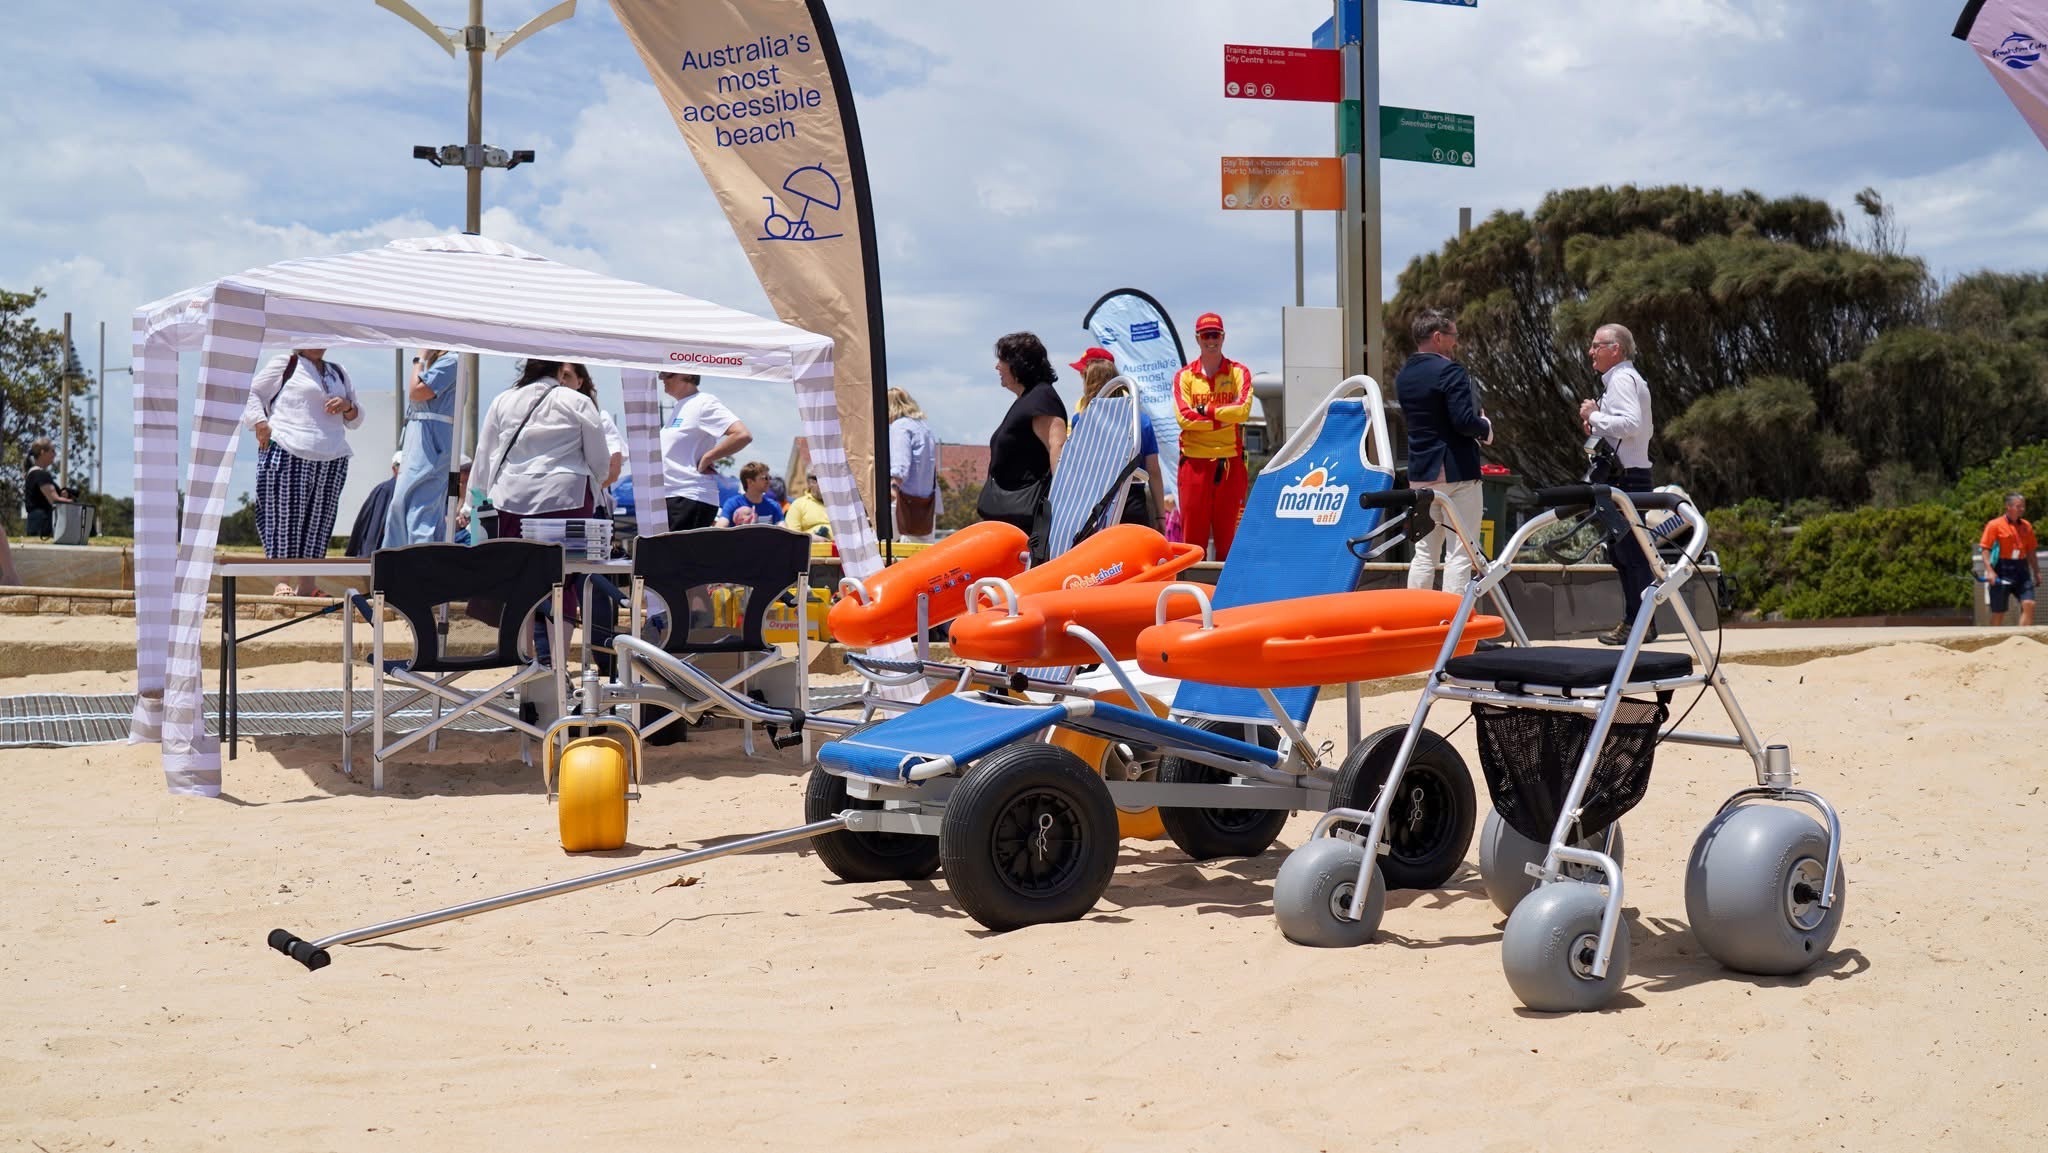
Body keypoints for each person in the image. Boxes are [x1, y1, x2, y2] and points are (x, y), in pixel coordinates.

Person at [242, 349, 363, 596]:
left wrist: (347, 405)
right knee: (284, 516)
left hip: (331, 454)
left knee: (319, 521)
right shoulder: (286, 363)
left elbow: (356, 419)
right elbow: (252, 391)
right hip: (289, 447)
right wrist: (259, 423)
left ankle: (307, 585)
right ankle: (281, 581)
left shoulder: (338, 370)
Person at [1396, 310, 1492, 597]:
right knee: (1461, 553)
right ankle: (1455, 629)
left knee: (1424, 553)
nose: (1456, 343)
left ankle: (1417, 623)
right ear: (1438, 337)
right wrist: (1485, 427)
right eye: (1453, 337)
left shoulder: (1404, 377)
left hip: (1420, 475)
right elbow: (1463, 421)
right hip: (1456, 472)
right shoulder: (1450, 371)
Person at [1579, 323, 1657, 645]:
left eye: (1597, 345)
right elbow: (1623, 430)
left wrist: (1595, 416)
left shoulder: (1623, 379)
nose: (1591, 351)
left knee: (1631, 553)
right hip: (1627, 475)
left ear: (1617, 349)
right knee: (1623, 552)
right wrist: (1596, 429)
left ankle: (1639, 624)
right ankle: (1635, 622)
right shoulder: (1620, 380)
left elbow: (1631, 424)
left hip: (1630, 478)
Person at [1172, 312, 1255, 561]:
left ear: (1223, 337)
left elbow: (1242, 412)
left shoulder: (1238, 372)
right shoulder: (1184, 376)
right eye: (1206, 335)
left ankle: (1229, 598)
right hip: (1194, 466)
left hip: (1230, 463)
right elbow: (1183, 418)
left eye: (1215, 335)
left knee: (1229, 543)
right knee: (1192, 544)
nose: (1211, 340)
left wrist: (1206, 411)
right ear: (1197, 338)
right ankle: (1189, 596)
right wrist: (1222, 419)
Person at [978, 332, 1068, 558]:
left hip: (1027, 520)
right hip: (1010, 515)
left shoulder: (1042, 399)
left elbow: (1058, 450)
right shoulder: (1028, 398)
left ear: (1018, 365)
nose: (997, 367)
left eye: (1003, 360)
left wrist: (1064, 506)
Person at [1074, 350, 1167, 528]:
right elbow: (1153, 471)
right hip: (1132, 499)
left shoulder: (1082, 422)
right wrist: (1160, 517)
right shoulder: (1141, 421)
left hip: (1094, 504)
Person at [383, 349, 458, 548]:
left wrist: (420, 359)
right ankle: (398, 560)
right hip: (419, 436)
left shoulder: (452, 361)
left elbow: (417, 392)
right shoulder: (439, 363)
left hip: (432, 440)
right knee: (402, 503)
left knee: (422, 508)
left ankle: (420, 562)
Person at [659, 372, 752, 531]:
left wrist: (708, 457)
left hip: (688, 496)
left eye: (668, 375)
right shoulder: (681, 406)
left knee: (680, 554)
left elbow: (742, 434)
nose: (661, 378)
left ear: (687, 376)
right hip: (675, 495)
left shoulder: (703, 403)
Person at [887, 387, 941, 542]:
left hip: (902, 499)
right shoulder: (924, 427)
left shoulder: (900, 427)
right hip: (925, 501)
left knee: (878, 548)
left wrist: (893, 486)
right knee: (921, 552)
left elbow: (900, 461)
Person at [1981, 492, 2038, 626]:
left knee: (2029, 604)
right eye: (2019, 506)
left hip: (2021, 568)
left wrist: (2036, 571)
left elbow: (2031, 551)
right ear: (2008, 507)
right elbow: (1985, 549)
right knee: (1998, 612)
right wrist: (1990, 571)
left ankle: (2022, 639)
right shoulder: (1994, 525)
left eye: (2023, 506)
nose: (2022, 509)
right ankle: (1992, 641)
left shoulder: (2026, 526)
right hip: (2002, 568)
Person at [346, 452, 404, 558]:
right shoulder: (386, 490)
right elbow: (375, 525)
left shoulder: (385, 489)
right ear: (394, 468)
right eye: (401, 466)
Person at [23, 438, 73, 539]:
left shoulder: (31, 473)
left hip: (34, 523)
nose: (54, 454)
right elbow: (54, 500)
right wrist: (72, 502)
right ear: (42, 452)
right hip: (43, 524)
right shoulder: (41, 474)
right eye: (52, 451)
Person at [718, 461, 786, 526]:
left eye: (769, 478)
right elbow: (721, 527)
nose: (769, 481)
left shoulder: (774, 506)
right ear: (750, 481)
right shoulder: (733, 503)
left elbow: (783, 530)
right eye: (765, 478)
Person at [786, 472, 832, 537]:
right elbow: (791, 536)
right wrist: (811, 537)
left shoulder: (838, 504)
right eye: (817, 479)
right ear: (809, 483)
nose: (823, 483)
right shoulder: (799, 504)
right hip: (812, 546)